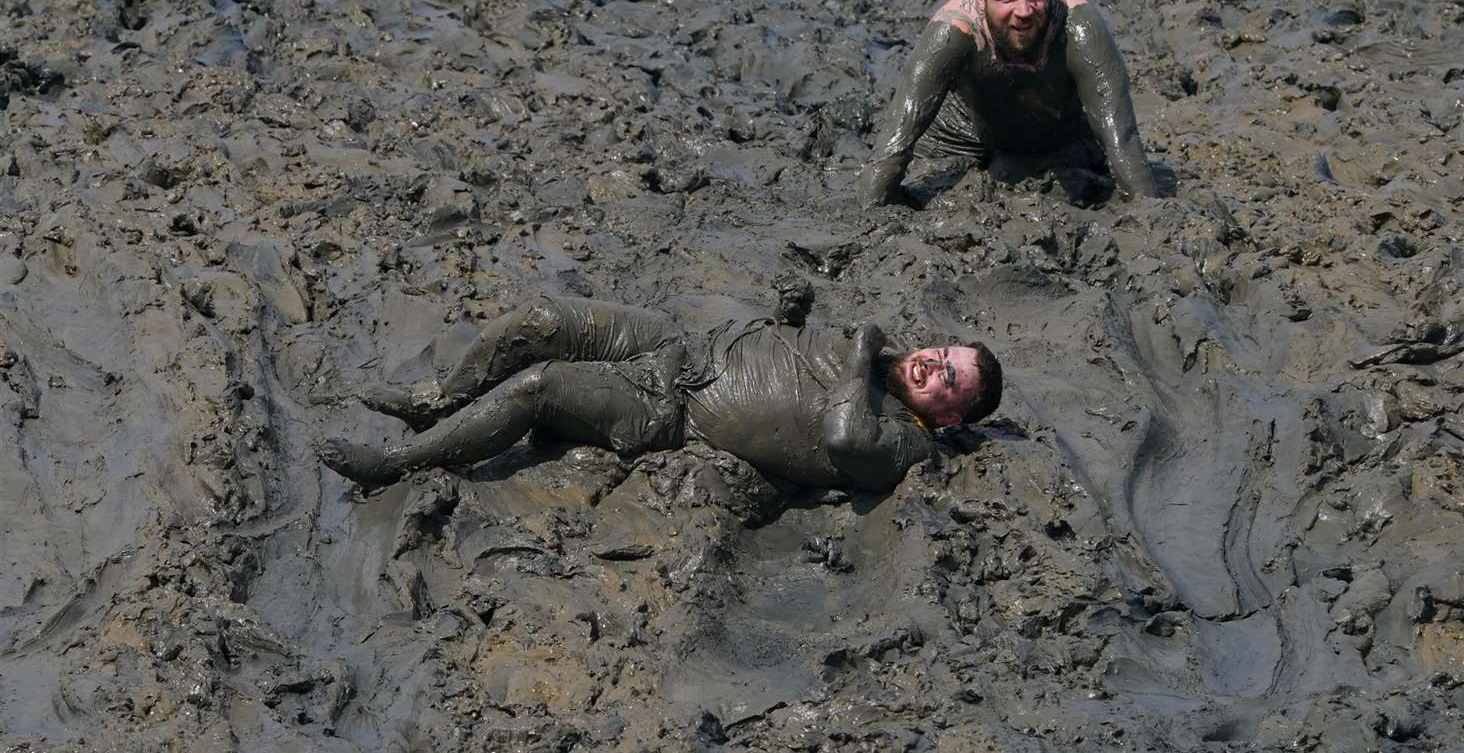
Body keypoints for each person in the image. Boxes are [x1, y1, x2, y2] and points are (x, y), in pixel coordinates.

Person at [318, 295, 1002, 492]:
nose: (930, 368)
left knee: (540, 386)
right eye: (939, 356)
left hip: (669, 408)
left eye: (947, 381)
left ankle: (396, 466)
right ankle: (438, 400)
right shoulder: (883, 362)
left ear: (950, 417)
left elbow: (845, 439)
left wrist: (858, 355)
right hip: (680, 343)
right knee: (541, 321)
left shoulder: (907, 442)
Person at [859, 0, 1158, 208]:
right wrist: (871, 213)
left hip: (1059, 139)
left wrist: (1150, 215)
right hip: (962, 134)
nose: (1024, 11)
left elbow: (1122, 138)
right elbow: (896, 140)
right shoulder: (953, 31)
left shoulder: (1079, 27)